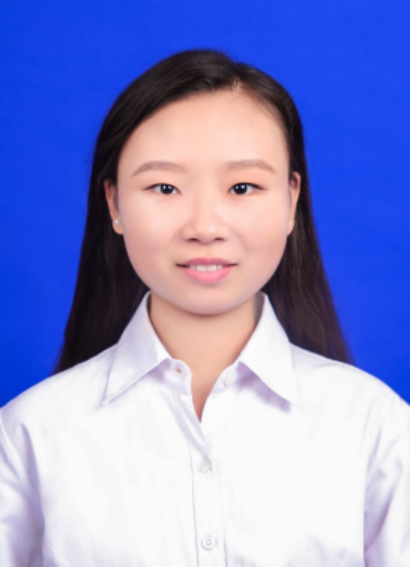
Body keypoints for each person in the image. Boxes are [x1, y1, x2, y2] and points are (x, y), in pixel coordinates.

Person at [0, 48, 409, 567]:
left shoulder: (376, 426)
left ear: (291, 199)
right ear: (114, 203)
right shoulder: (29, 433)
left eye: (242, 187)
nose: (205, 226)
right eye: (164, 187)